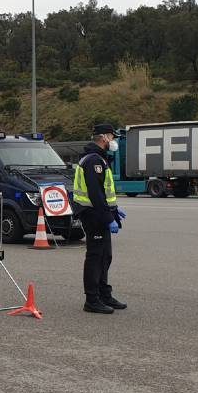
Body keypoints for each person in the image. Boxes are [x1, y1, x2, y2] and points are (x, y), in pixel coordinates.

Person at [72, 123, 127, 314]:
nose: (114, 141)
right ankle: (92, 299)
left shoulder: (100, 159)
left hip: (100, 213)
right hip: (93, 214)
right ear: (104, 137)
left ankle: (104, 294)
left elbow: (103, 191)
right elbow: (95, 194)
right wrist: (108, 217)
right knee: (95, 257)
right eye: (113, 137)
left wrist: (114, 209)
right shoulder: (94, 161)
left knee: (105, 256)